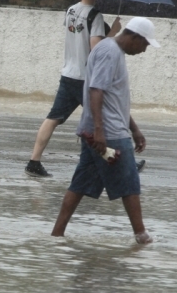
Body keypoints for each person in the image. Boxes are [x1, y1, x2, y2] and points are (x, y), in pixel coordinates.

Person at [50, 17, 160, 244]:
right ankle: (142, 236)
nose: (144, 50)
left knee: (79, 185)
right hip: (109, 133)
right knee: (130, 184)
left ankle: (57, 234)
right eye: (145, 44)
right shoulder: (110, 53)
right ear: (135, 38)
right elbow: (96, 91)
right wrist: (100, 131)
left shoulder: (109, 49)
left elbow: (114, 100)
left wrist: (135, 129)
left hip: (101, 130)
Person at [25, 0, 125, 178]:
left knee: (53, 118)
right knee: (106, 118)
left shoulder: (70, 10)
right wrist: (113, 31)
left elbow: (75, 34)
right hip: (85, 77)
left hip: (68, 74)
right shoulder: (95, 16)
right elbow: (96, 49)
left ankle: (34, 161)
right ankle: (123, 161)